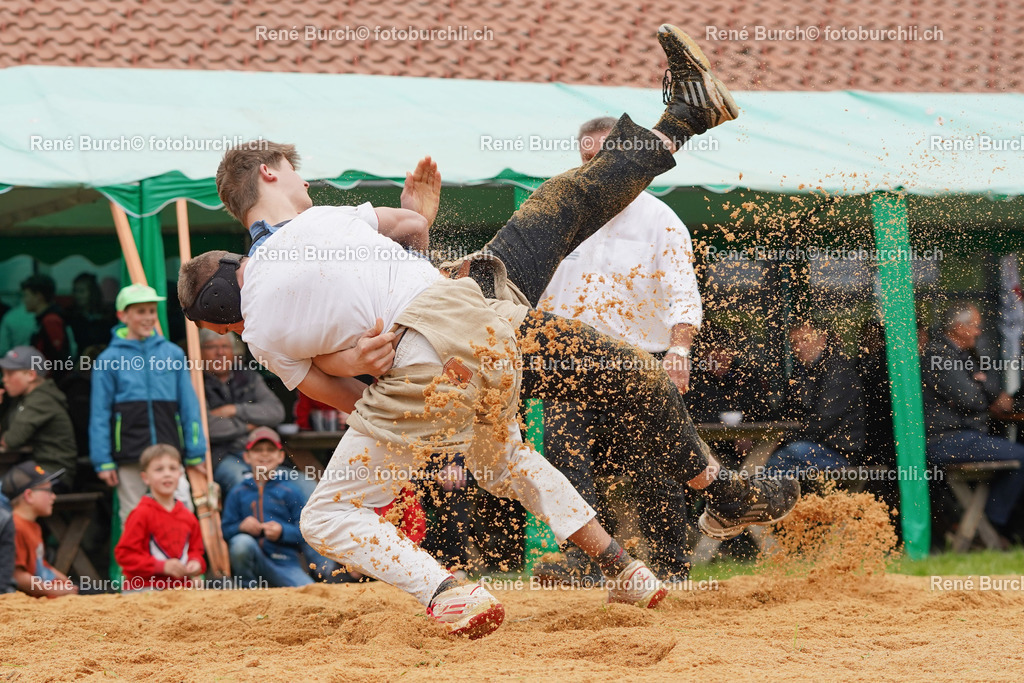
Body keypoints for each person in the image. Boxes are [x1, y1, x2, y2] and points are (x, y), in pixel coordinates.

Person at [179, 25, 798, 639]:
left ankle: (448, 591)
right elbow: (412, 235)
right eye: (293, 171)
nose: (303, 182)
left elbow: (343, 399)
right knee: (563, 208)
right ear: (267, 174)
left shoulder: (261, 329)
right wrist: (418, 222)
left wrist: (362, 366)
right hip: (483, 313)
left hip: (425, 364)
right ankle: (684, 116)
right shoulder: (333, 218)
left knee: (332, 515)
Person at [532, 114, 703, 583]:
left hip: (638, 358)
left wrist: (680, 349)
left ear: (625, 158)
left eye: (603, 158)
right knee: (565, 464)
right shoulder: (555, 211)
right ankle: (585, 564)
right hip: (566, 358)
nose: (594, 167)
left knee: (656, 465)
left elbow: (682, 292)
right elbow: (530, 291)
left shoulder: (660, 219)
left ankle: (673, 569)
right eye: (587, 158)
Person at [89, 283, 207, 531]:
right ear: (123, 316)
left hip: (169, 451)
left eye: (152, 311)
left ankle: (183, 570)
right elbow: (99, 414)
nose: (148, 317)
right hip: (129, 453)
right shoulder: (108, 360)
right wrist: (103, 461)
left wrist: (196, 450)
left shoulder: (173, 353)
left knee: (182, 510)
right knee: (133, 520)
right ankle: (139, 572)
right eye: (140, 311)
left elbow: (189, 406)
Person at [922, 302, 1024, 536]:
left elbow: (986, 388)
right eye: (975, 326)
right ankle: (988, 526)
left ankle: (981, 525)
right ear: (959, 327)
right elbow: (973, 400)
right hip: (946, 440)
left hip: (960, 436)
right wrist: (980, 389)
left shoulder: (959, 354)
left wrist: (980, 384)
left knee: (1012, 452)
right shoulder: (938, 354)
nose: (979, 332)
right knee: (1021, 456)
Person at [765, 320, 865, 480]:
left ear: (822, 340)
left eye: (805, 339)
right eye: (794, 342)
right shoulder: (802, 373)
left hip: (839, 452)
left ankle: (757, 498)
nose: (799, 346)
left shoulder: (838, 372)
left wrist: (782, 440)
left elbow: (822, 421)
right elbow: (785, 412)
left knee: (786, 456)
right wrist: (768, 435)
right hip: (813, 446)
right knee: (777, 456)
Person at [220, 427, 313, 588]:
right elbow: (226, 530)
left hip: (285, 564)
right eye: (258, 450)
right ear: (246, 457)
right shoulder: (238, 492)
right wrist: (241, 527)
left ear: (280, 456)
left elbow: (305, 532)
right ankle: (247, 589)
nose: (264, 454)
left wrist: (282, 531)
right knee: (241, 543)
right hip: (253, 561)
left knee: (310, 591)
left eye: (270, 449)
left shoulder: (291, 491)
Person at [200, 329, 287, 494]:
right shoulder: (196, 381)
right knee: (245, 484)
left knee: (305, 485)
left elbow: (276, 412)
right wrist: (248, 426)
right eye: (212, 347)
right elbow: (208, 427)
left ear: (233, 352)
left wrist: (234, 410)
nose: (220, 352)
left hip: (260, 454)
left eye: (225, 346)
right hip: (221, 456)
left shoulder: (249, 376)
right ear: (200, 351)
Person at [114, 444, 206, 590]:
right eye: (159, 469)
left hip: (181, 589)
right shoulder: (140, 514)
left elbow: (196, 550)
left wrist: (195, 562)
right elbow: (124, 555)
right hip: (144, 587)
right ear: (145, 477)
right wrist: (161, 566)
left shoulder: (188, 516)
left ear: (180, 474)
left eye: (173, 468)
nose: (167, 474)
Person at [0, 346, 77, 490]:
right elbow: (4, 432)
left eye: (9, 374)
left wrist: (6, 438)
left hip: (52, 472)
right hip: (31, 470)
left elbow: (11, 439)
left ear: (30, 375)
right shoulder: (22, 399)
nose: (4, 380)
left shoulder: (41, 400)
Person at [3, 460, 78, 597]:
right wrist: (53, 591)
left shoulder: (34, 526)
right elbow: (17, 576)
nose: (53, 496)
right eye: (48, 490)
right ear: (29, 496)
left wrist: (65, 582)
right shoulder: (15, 527)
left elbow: (40, 564)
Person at [21, 274, 74, 377]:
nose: (24, 300)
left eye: (26, 295)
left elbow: (59, 356)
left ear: (38, 296)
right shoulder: (43, 319)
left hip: (50, 380)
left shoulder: (51, 320)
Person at [66, 272, 116, 354]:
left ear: (92, 292)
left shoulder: (107, 315)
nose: (78, 295)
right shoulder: (70, 315)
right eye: (75, 291)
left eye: (81, 291)